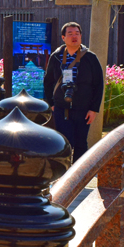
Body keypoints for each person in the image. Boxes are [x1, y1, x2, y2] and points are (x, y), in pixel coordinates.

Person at [43, 22, 105, 162]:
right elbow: (48, 82)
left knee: (81, 143)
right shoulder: (57, 56)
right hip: (61, 108)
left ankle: (79, 178)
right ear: (63, 37)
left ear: (81, 36)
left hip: (83, 109)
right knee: (64, 143)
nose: (74, 36)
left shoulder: (90, 57)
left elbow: (98, 84)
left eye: (77, 33)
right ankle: (64, 176)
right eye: (70, 34)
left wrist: (93, 109)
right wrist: (51, 103)